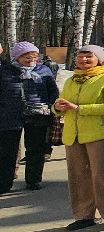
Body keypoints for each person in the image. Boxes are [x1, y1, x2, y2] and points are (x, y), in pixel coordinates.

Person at [54, 44, 104, 229]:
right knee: (78, 175)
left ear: (99, 59)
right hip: (74, 134)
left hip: (100, 133)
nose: (83, 60)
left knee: (101, 173)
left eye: (89, 57)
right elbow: (61, 103)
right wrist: (57, 108)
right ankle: (84, 215)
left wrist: (79, 109)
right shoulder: (72, 80)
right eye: (80, 56)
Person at [0, 42, 58, 193]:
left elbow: (53, 91)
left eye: (33, 55)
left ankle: (33, 180)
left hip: (38, 115)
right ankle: (4, 183)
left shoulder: (44, 70)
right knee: (8, 151)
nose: (30, 59)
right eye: (26, 56)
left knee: (36, 149)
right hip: (9, 115)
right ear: (16, 57)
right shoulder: (5, 70)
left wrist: (50, 105)